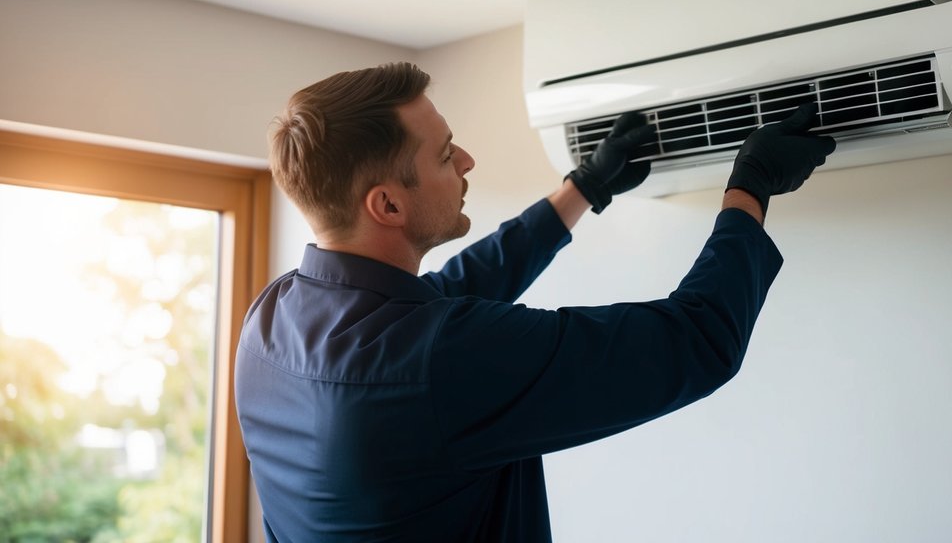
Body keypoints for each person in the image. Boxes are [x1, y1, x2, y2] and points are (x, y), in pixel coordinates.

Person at [234, 61, 836, 542]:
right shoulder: (438, 363)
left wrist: (583, 188)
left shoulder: (270, 321)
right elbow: (694, 341)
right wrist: (750, 187)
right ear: (387, 206)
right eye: (445, 154)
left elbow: (457, 287)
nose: (466, 160)